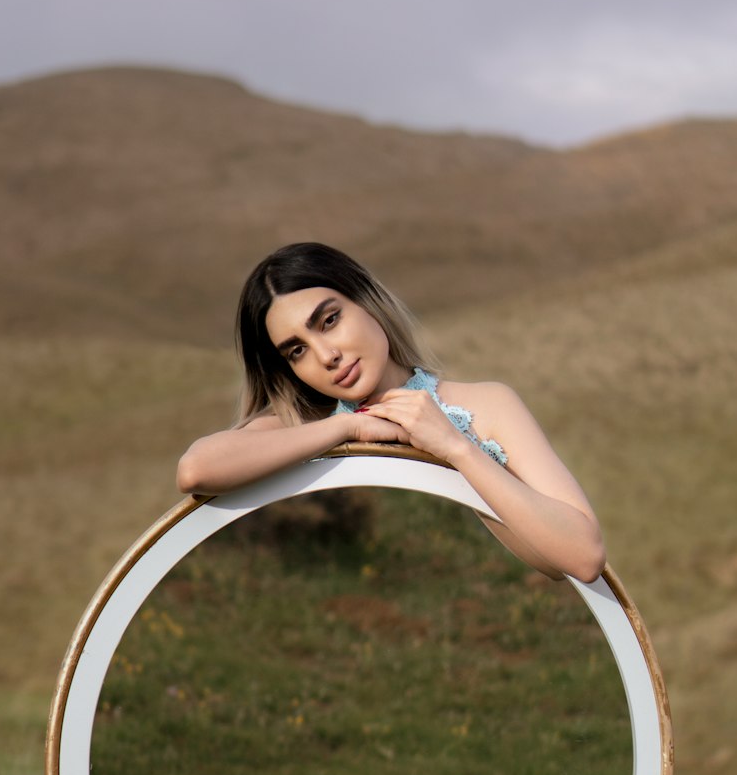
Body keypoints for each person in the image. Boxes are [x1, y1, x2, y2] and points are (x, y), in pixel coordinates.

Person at [176, 243, 606, 582]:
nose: (326, 355)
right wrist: (351, 424)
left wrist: (455, 448)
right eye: (297, 350)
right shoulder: (301, 430)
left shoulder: (487, 406)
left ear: (365, 301)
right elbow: (195, 470)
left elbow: (583, 557)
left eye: (328, 321)